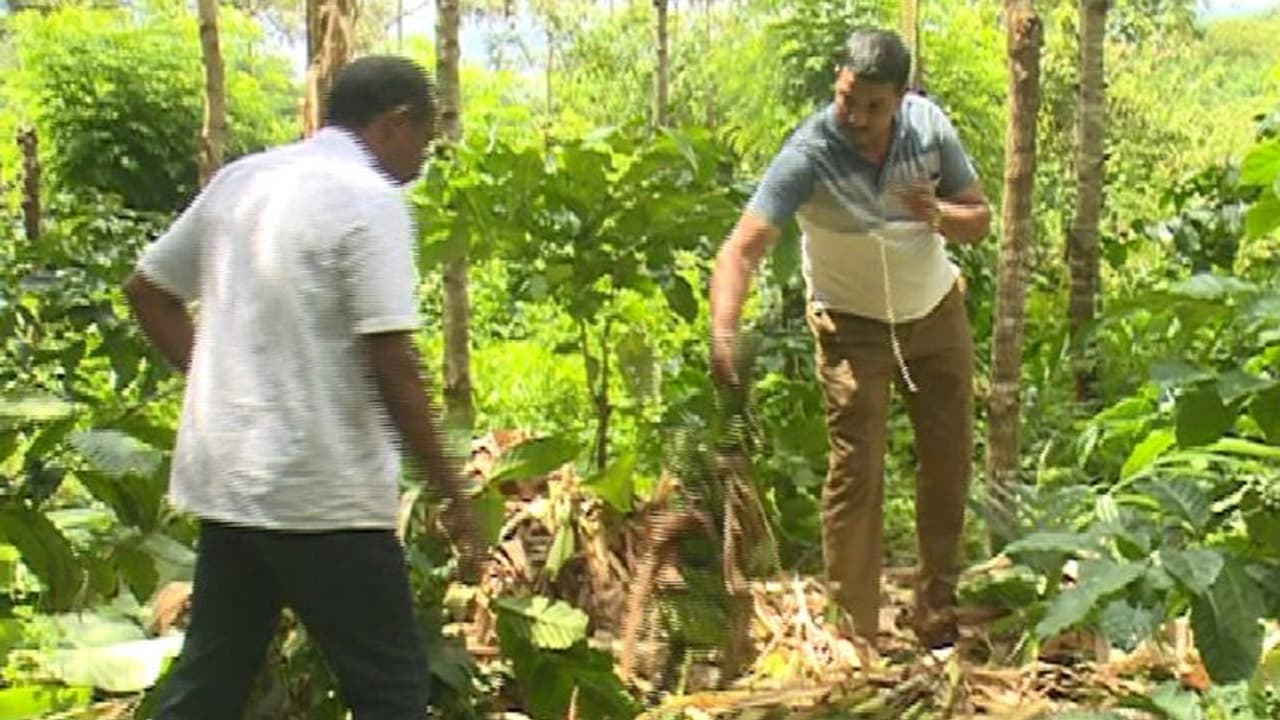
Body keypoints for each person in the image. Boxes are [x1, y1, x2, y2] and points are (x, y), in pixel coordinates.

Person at [123, 55, 481, 719]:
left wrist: (225, 385)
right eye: (424, 142)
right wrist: (451, 491)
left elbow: (148, 292)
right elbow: (393, 361)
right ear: (395, 124)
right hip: (322, 495)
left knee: (212, 679)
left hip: (232, 483)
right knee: (392, 689)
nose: (423, 161)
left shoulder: (243, 181)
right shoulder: (370, 202)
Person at [709, 28, 991, 650]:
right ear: (837, 82)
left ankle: (935, 609)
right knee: (856, 469)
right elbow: (741, 250)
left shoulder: (929, 130)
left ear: (900, 99)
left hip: (935, 317)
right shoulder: (809, 154)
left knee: (948, 462)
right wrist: (724, 332)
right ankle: (853, 629)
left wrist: (938, 215)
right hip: (852, 326)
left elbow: (980, 217)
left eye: (873, 106)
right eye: (847, 100)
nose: (857, 118)